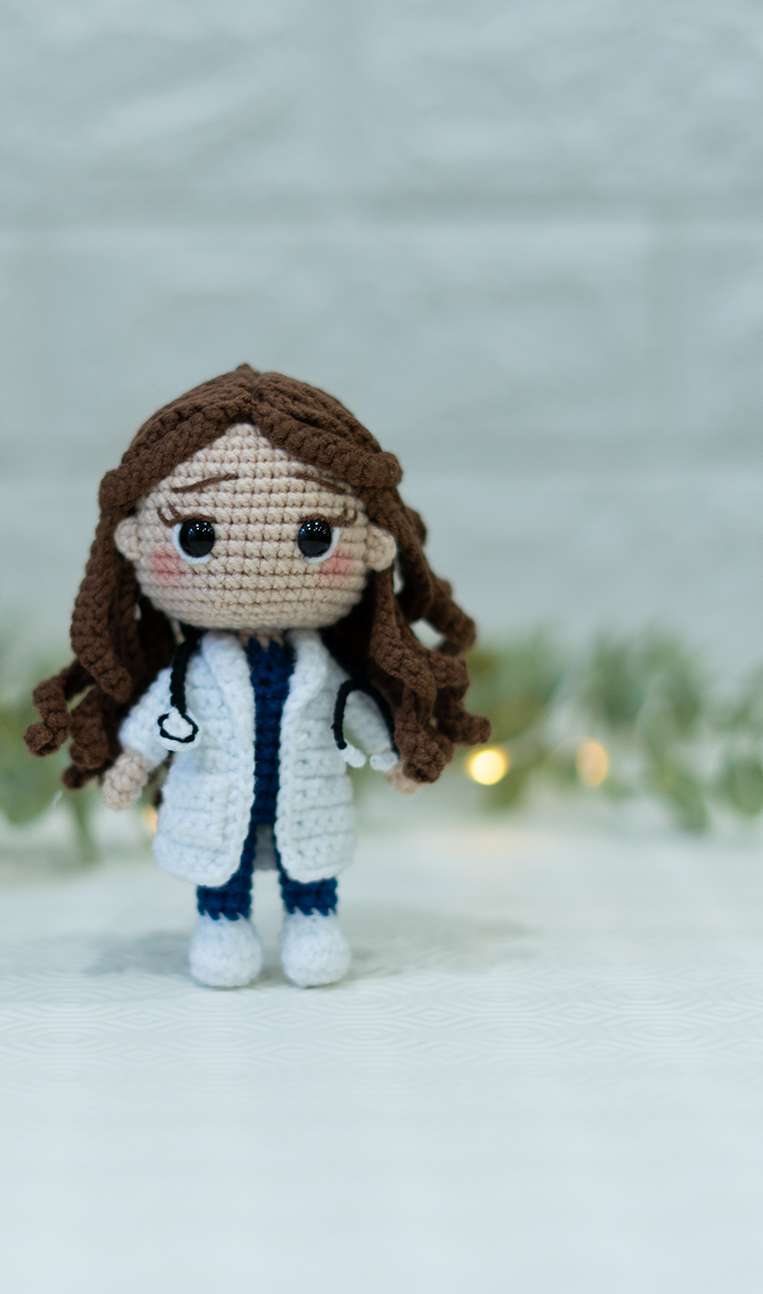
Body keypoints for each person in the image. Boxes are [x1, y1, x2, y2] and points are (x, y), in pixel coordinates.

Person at [25, 365, 489, 987]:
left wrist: (391, 756)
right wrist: (133, 761)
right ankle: (223, 925)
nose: (259, 560)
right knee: (224, 867)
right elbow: (157, 716)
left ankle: (313, 922)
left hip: (304, 796)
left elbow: (357, 710)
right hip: (220, 796)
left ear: (374, 547)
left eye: (314, 535)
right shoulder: (191, 672)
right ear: (132, 541)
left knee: (310, 864)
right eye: (197, 535)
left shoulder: (323, 668)